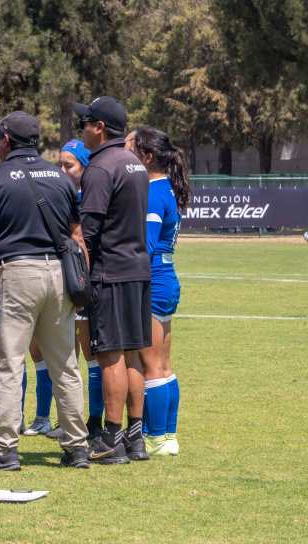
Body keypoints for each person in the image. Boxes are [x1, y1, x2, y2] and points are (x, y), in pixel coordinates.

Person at [0, 110, 91, 470]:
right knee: (66, 365)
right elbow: (76, 235)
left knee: (8, 364)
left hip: (15, 272)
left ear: (7, 140)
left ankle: (5, 449)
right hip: (57, 272)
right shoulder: (60, 177)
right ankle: (77, 447)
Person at [74, 96, 152, 464]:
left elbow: (87, 232)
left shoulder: (101, 167)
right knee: (135, 353)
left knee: (109, 356)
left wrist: (77, 275)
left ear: (99, 127)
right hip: (138, 267)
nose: (82, 131)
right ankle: (135, 438)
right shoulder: (135, 163)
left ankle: (110, 438)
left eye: (84, 124)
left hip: (109, 271)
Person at [23, 139, 99, 440]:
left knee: (84, 355)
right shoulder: (60, 191)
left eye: (69, 165)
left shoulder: (89, 197)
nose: (62, 170)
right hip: (54, 281)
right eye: (60, 164)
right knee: (48, 353)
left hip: (79, 283)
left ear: (84, 167)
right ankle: (46, 417)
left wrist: (85, 284)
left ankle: (92, 423)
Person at [130, 126, 188, 456]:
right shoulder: (167, 188)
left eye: (130, 148)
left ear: (146, 157)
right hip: (167, 279)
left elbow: (147, 244)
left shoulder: (153, 192)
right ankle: (168, 437)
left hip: (153, 281)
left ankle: (154, 438)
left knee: (151, 365)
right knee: (164, 365)